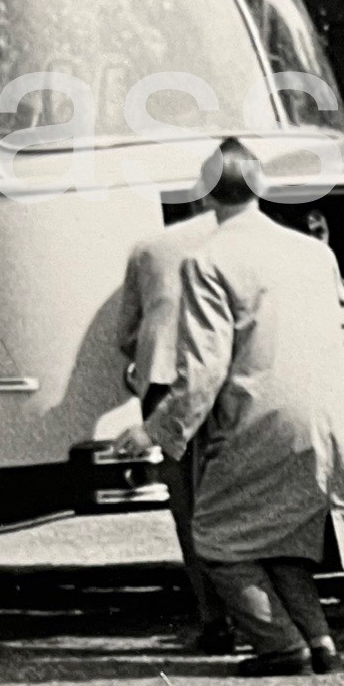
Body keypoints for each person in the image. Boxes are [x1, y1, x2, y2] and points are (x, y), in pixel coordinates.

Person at [113, 138, 344, 676]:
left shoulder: (207, 260)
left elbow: (204, 366)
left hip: (259, 416)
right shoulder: (313, 251)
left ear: (204, 192)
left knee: (217, 538)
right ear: (262, 186)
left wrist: (156, 429)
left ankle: (280, 645)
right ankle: (320, 640)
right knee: (283, 539)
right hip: (329, 412)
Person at [117, 201, 236, 653]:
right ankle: (255, 613)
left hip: (164, 380)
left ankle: (214, 620)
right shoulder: (238, 239)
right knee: (236, 496)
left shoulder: (149, 247)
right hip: (227, 378)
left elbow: (127, 334)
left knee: (188, 508)